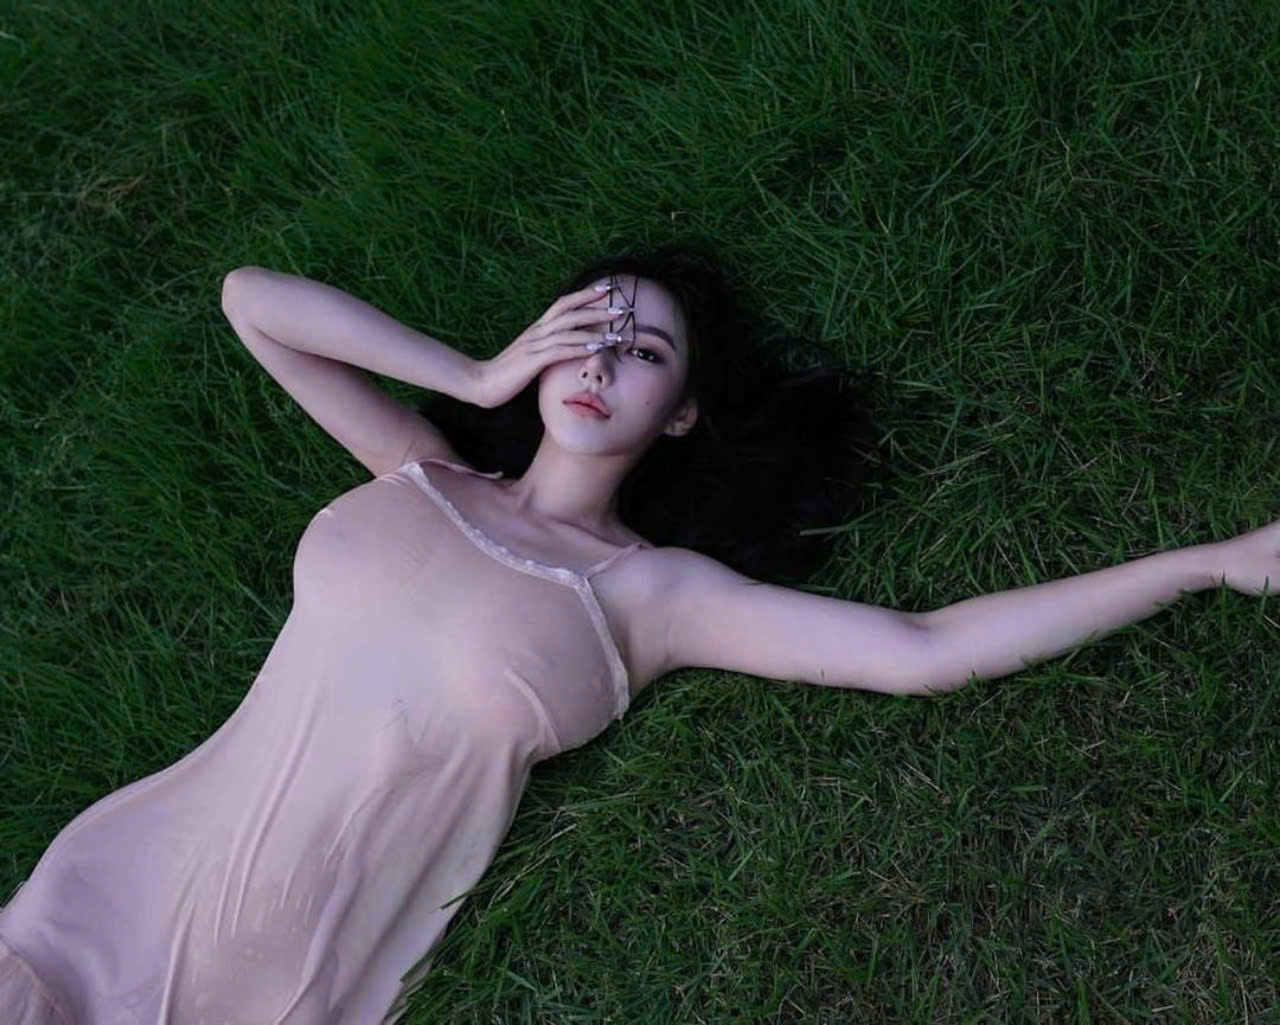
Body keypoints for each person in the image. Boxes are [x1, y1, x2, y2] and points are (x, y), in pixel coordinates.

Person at [0, 243, 1275, 1025]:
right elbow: (251, 300)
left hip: (287, 972)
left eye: (643, 348)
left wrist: (1203, 563)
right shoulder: (418, 473)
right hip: (109, 897)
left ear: (679, 415)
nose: (601, 357)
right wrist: (473, 374)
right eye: (587, 323)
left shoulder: (649, 596)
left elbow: (920, 647)